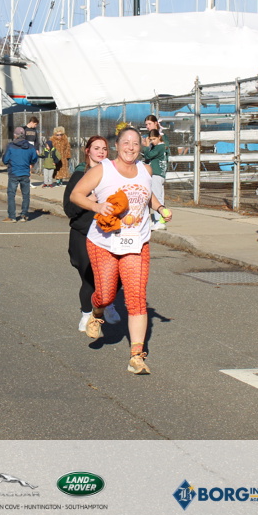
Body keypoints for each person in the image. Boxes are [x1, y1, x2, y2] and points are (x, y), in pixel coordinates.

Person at [68, 125, 172, 374]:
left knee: (136, 299)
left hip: (136, 242)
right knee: (106, 295)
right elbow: (76, 195)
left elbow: (147, 195)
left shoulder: (145, 170)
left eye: (135, 143)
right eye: (126, 142)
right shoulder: (102, 170)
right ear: (117, 146)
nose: (131, 147)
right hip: (104, 241)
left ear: (140, 147)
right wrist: (97, 207)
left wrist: (159, 208)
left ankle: (136, 356)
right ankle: (96, 312)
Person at [63, 136, 122, 332]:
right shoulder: (80, 175)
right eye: (96, 148)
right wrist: (91, 199)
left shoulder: (112, 175)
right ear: (87, 151)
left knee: (116, 276)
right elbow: (69, 209)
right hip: (82, 234)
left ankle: (107, 304)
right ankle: (87, 314)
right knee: (90, 278)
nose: (101, 152)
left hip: (107, 233)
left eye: (104, 148)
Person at [2, 126, 38, 222]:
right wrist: (29, 162)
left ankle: (12, 216)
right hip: (25, 173)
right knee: (26, 195)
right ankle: (24, 215)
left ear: (15, 135)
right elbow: (34, 158)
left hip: (14, 173)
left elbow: (5, 160)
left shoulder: (10, 146)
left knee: (11, 194)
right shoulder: (30, 147)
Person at [142, 128, 169, 230]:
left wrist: (146, 146)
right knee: (159, 196)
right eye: (151, 139)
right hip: (160, 174)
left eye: (154, 139)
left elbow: (148, 155)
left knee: (157, 197)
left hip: (157, 174)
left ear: (159, 137)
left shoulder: (159, 147)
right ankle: (159, 220)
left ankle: (159, 221)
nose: (153, 141)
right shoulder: (162, 147)